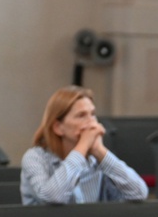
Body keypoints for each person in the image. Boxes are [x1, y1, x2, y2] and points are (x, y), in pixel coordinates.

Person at [20, 85, 148, 205]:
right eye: (81, 116)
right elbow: (52, 198)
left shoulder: (97, 159)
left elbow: (139, 193)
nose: (92, 122)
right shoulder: (35, 157)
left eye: (92, 114)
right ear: (58, 127)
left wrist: (100, 151)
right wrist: (82, 146)